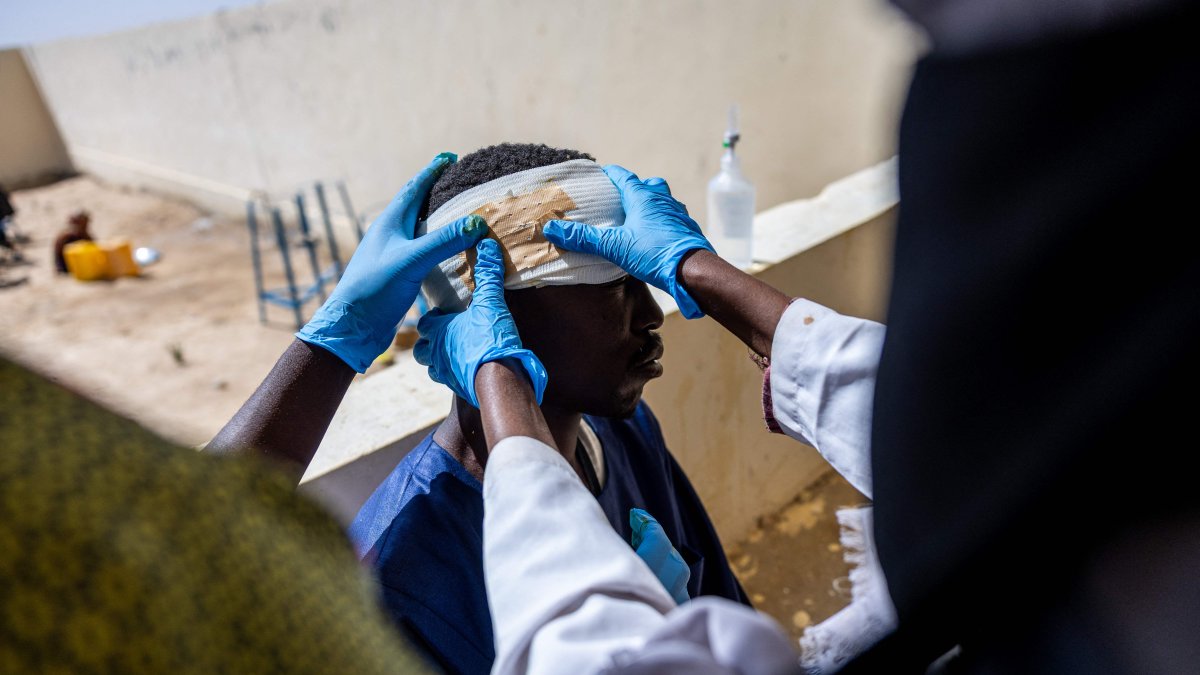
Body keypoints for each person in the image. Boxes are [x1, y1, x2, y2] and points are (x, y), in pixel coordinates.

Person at [345, 143, 748, 674]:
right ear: (496, 308)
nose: (652, 313)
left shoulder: (623, 433)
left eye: (642, 279)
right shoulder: (399, 568)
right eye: (612, 286)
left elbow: (722, 607)